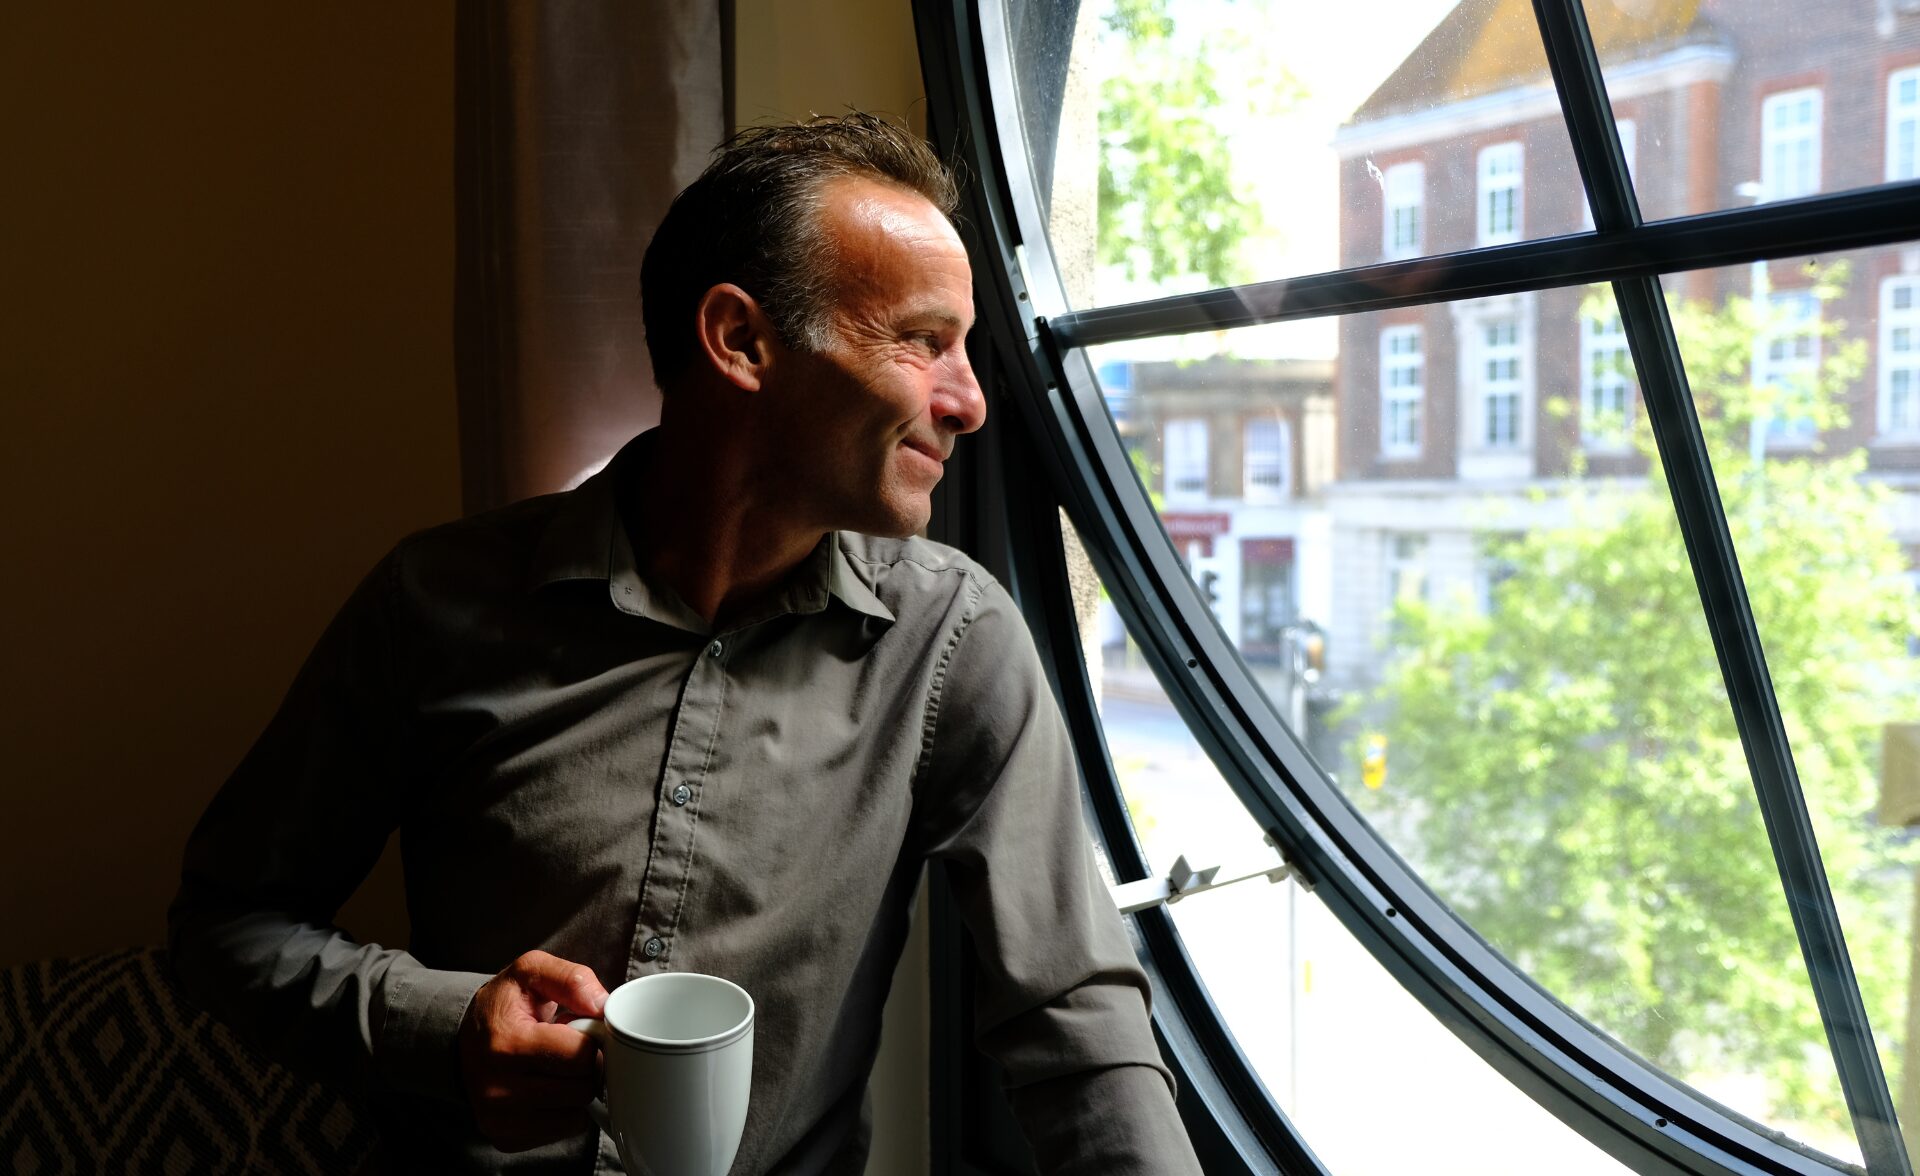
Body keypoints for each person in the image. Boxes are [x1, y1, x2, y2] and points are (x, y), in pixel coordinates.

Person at [169, 112, 1201, 1175]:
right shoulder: (433, 604)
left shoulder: (954, 641)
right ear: (741, 340)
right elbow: (225, 925)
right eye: (923, 340)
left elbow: (1075, 1020)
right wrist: (444, 1028)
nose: (971, 401)